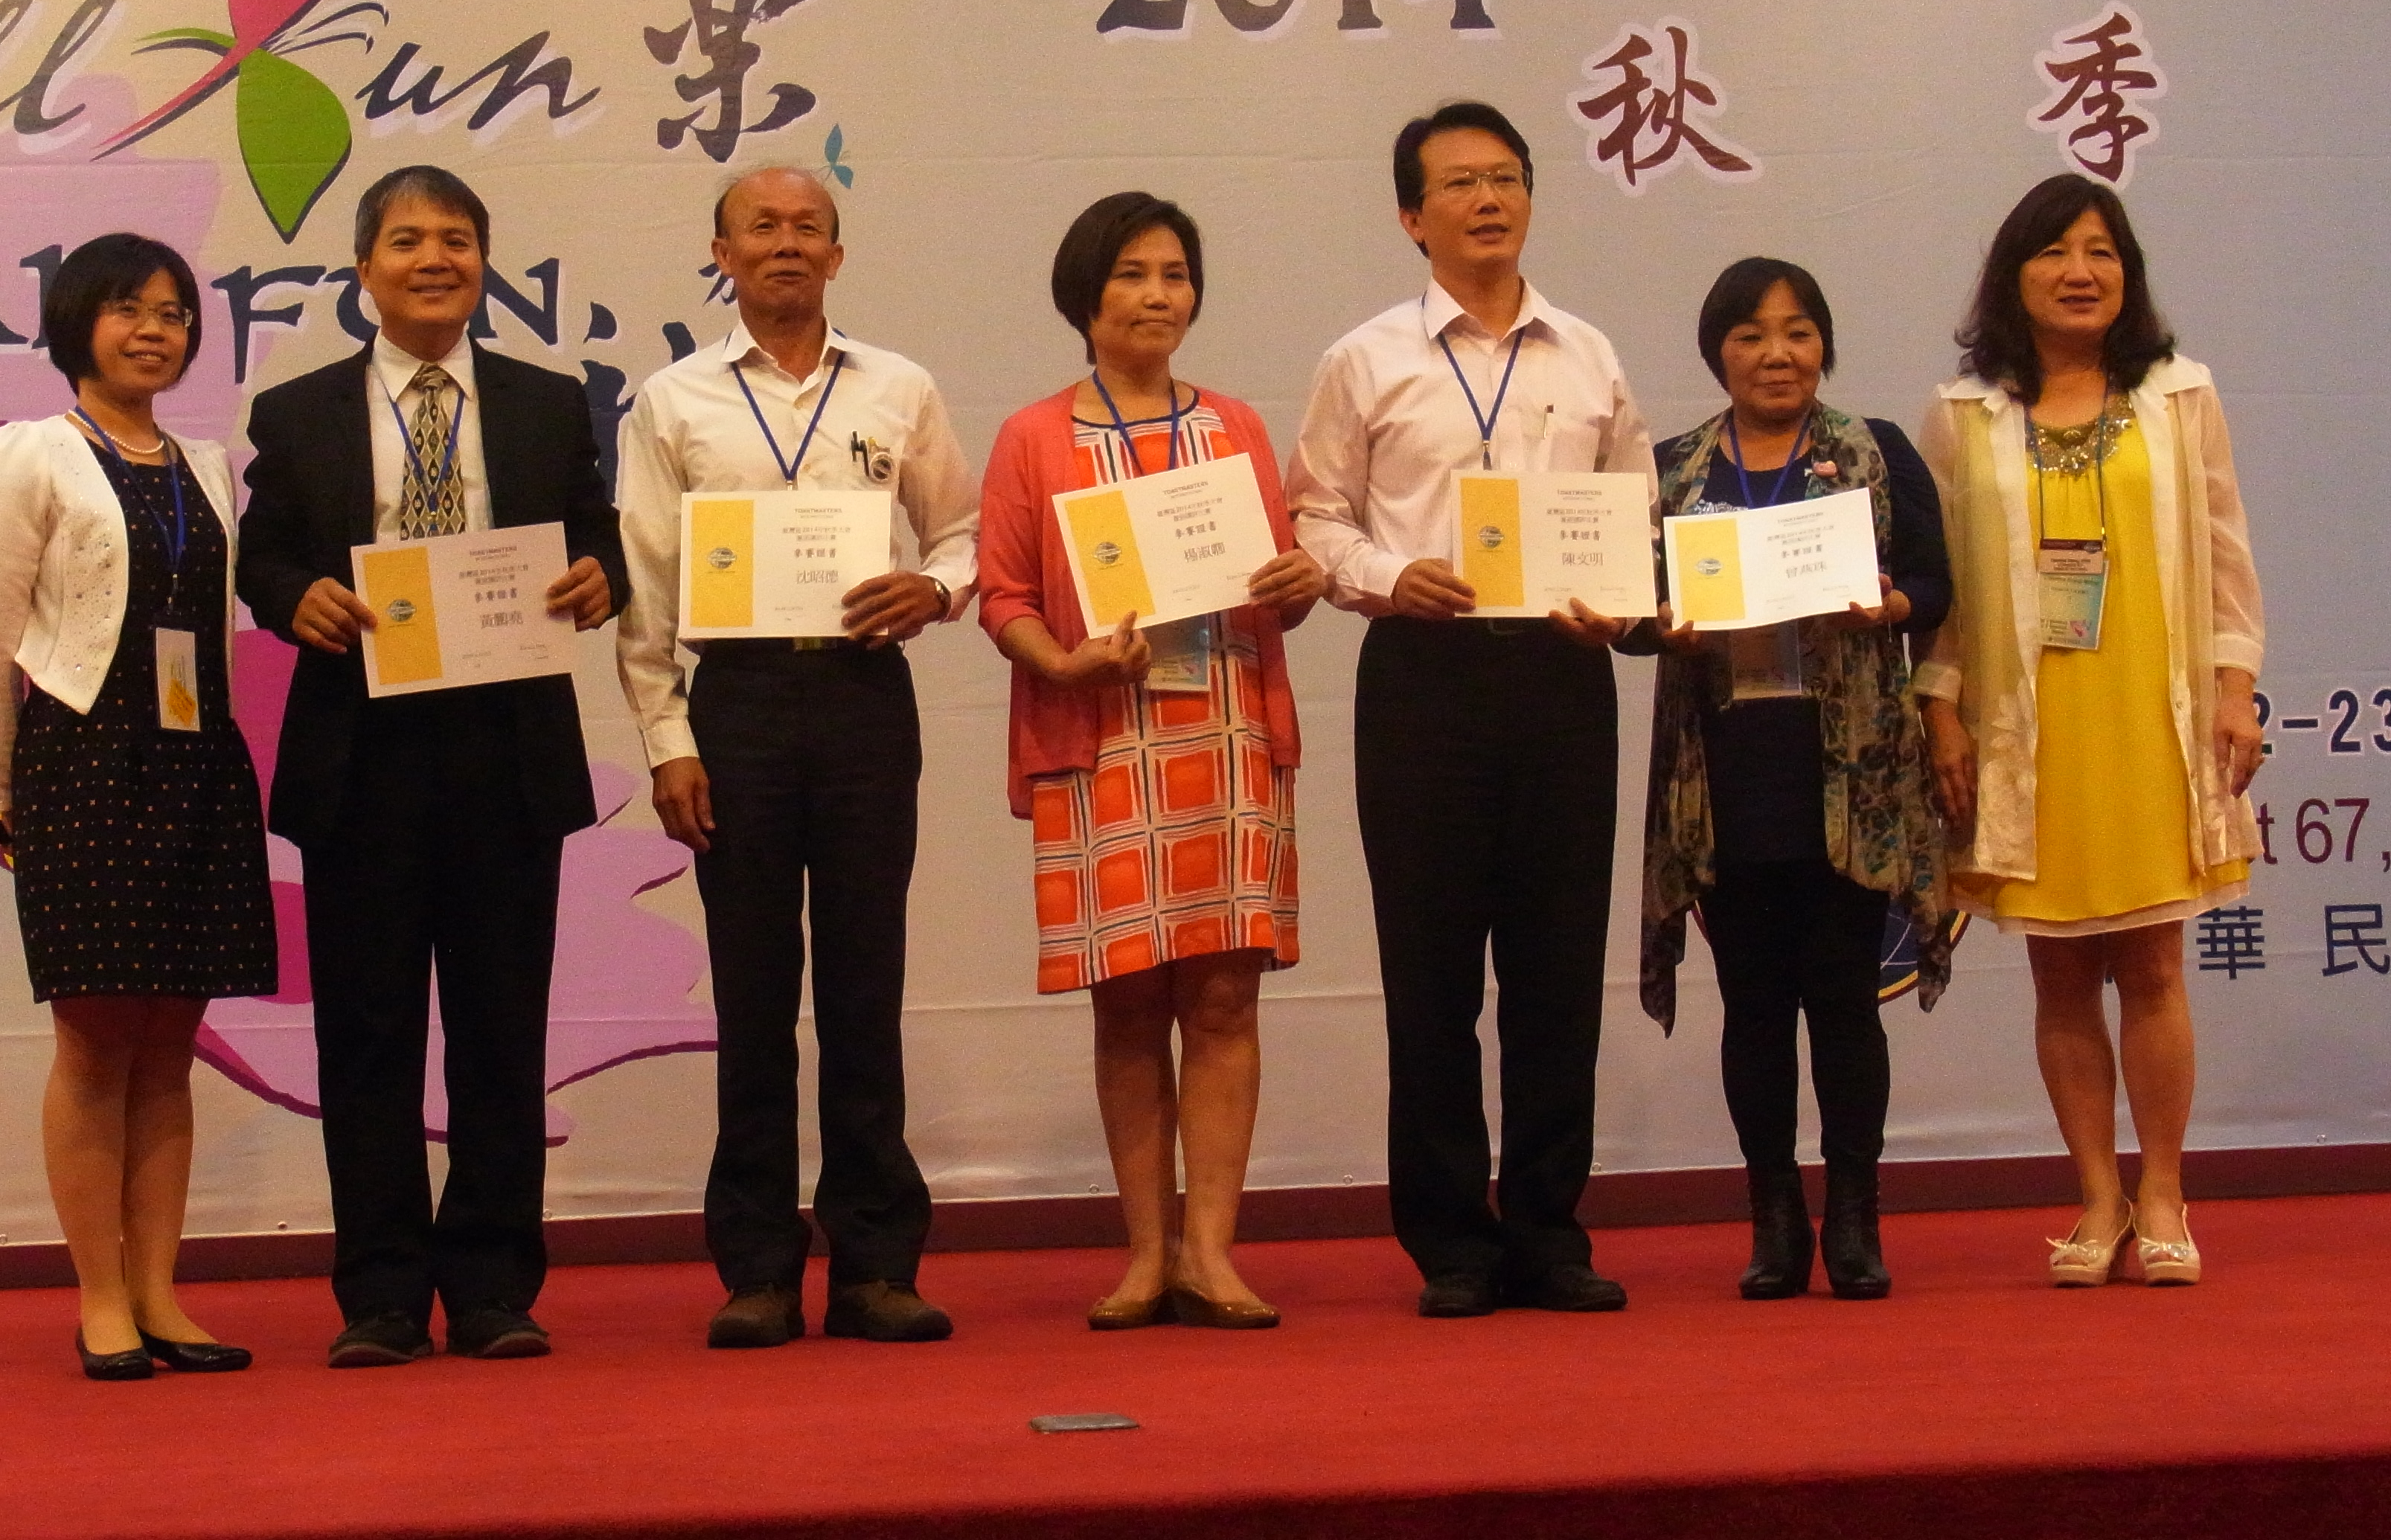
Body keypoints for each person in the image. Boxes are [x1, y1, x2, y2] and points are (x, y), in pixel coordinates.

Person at [235, 165, 625, 1367]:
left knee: (502, 1032)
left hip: (505, 752)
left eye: (456, 240)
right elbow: (263, 557)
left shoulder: (546, 403)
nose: (434, 260)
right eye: (407, 241)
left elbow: (599, 533)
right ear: (365, 271)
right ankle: (383, 1295)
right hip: (362, 758)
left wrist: (602, 576)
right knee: (369, 1037)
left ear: (483, 264)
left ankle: (496, 1286)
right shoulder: (296, 412)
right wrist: (294, 597)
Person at [1286, 100, 1655, 1318]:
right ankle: (1451, 1241)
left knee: (1558, 968)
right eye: (1459, 184)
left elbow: (1634, 512)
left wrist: (1617, 604)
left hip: (1561, 675)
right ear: (1412, 216)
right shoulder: (1367, 358)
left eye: (1506, 178)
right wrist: (1393, 576)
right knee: (1431, 972)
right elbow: (1314, 518)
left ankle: (1549, 1232)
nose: (1488, 200)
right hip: (1425, 674)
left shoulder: (1588, 354)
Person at [615, 165, 977, 1350]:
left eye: (807, 228)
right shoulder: (673, 401)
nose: (785, 244)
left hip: (865, 693)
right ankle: (759, 1268)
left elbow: (964, 533)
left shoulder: (898, 387)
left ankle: (876, 1265)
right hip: (740, 706)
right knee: (754, 993)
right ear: (721, 253)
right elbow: (647, 592)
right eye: (761, 227)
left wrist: (935, 588)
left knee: (866, 988)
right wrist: (668, 742)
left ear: (837, 253)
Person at [976, 193, 1324, 1331]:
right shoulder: (1034, 437)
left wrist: (1298, 583)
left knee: (1223, 996)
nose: (1157, 295)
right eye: (1132, 274)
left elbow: (1276, 582)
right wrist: (1064, 662)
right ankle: (1144, 1256)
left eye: (1175, 274)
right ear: (1086, 296)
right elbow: (1003, 595)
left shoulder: (1234, 427)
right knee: (1126, 1002)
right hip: (1102, 736)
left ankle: (1211, 1255)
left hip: (1224, 732)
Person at [1920, 173, 2264, 1289]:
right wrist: (1940, 708)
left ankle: (2162, 1191)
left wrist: (2235, 687)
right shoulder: (1965, 416)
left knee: (2154, 961)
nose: (2081, 272)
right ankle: (2097, 1199)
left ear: (2129, 273)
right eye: (2055, 251)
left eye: (2102, 250)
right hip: (2030, 724)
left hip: (2150, 711)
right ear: (2012, 275)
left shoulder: (2180, 395)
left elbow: (2225, 554)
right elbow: (1943, 588)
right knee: (2061, 971)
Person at [0, 233, 276, 1380]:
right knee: (94, 1043)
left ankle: (160, 1295)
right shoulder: (34, 452)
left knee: (170, 1049)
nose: (154, 330)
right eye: (128, 308)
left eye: (174, 312)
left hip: (197, 762)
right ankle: (100, 1298)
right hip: (83, 767)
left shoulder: (208, 464)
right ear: (76, 324)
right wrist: (8, 803)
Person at [1639, 258, 1956, 1302]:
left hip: (1851, 775)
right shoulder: (1674, 469)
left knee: (1846, 1004)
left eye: (1798, 333)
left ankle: (1855, 1217)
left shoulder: (1876, 451)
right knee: (1754, 1007)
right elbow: (1634, 612)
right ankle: (1774, 1219)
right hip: (1727, 775)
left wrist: (1892, 608)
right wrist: (1655, 624)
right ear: (1717, 353)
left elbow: (1936, 582)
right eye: (1751, 336)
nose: (1777, 355)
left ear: (1824, 345)